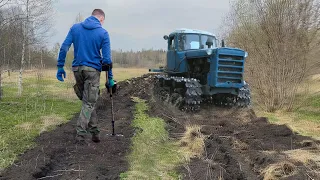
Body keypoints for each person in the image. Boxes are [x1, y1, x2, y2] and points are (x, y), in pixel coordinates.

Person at [56, 9, 115, 144]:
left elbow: (64, 46)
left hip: (77, 69)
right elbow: (107, 60)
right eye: (103, 22)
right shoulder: (103, 33)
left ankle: (95, 132)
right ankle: (80, 134)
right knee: (89, 102)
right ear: (101, 19)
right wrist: (110, 78)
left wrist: (60, 66)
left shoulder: (75, 28)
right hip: (93, 71)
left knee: (88, 100)